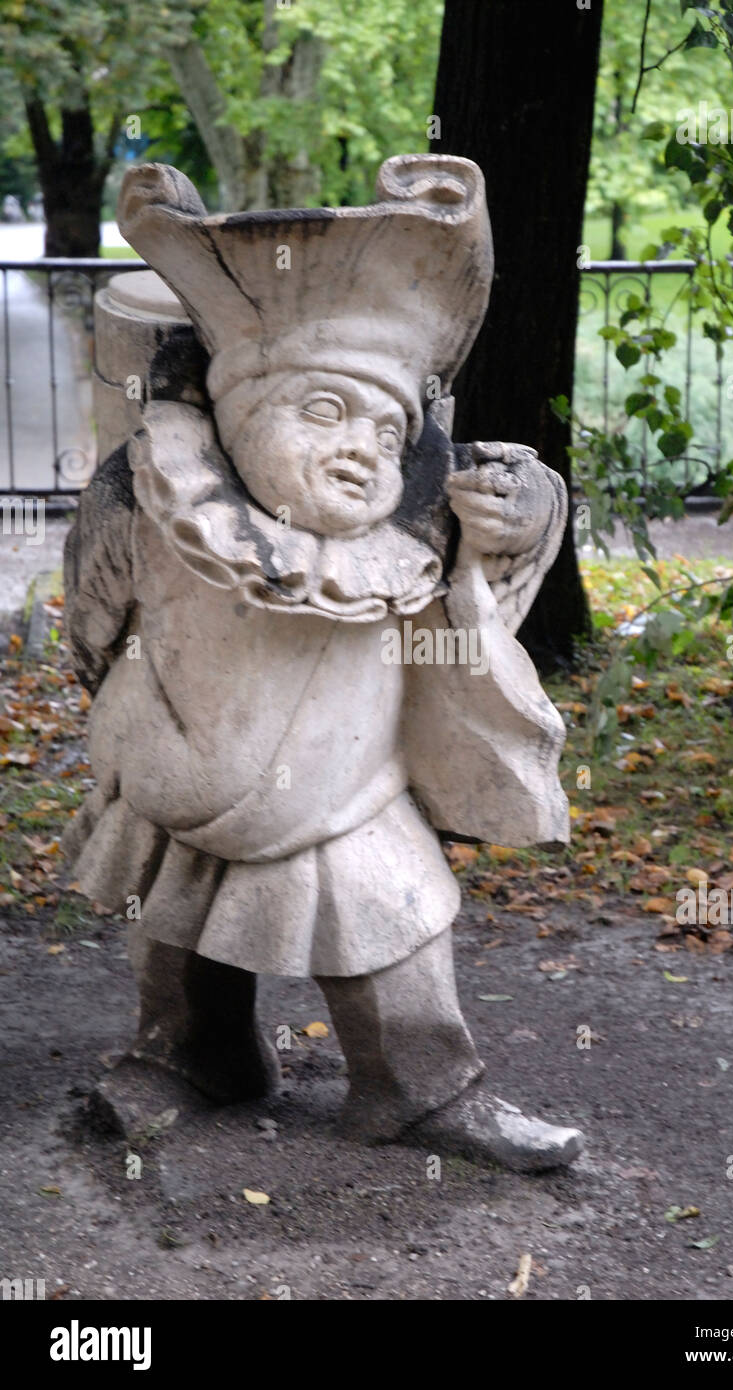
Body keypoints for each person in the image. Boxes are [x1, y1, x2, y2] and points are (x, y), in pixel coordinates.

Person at [63, 156, 581, 1171]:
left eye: (388, 429)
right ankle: (191, 1054)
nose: (362, 448)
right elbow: (93, 613)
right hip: (178, 765)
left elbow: (496, 567)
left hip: (346, 785)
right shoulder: (146, 496)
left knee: (392, 915)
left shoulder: (416, 520)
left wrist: (518, 519)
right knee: (170, 923)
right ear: (237, 412)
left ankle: (420, 1087)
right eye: (324, 411)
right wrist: (126, 717)